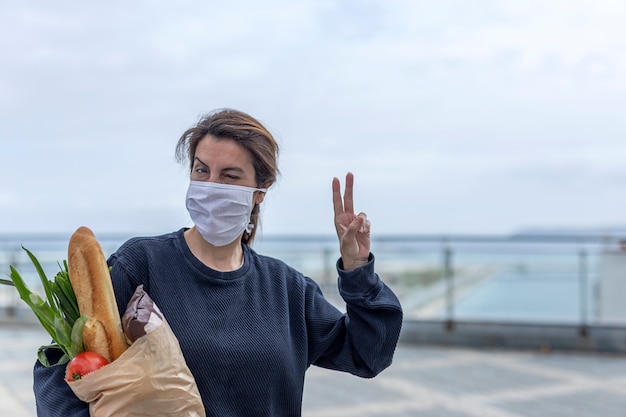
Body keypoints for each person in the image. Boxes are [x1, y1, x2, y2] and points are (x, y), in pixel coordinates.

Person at [33, 108, 403, 416]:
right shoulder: (140, 264)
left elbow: (368, 354)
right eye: (201, 170)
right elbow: (57, 367)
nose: (211, 185)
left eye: (229, 176)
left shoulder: (288, 290)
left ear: (260, 191)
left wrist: (359, 270)